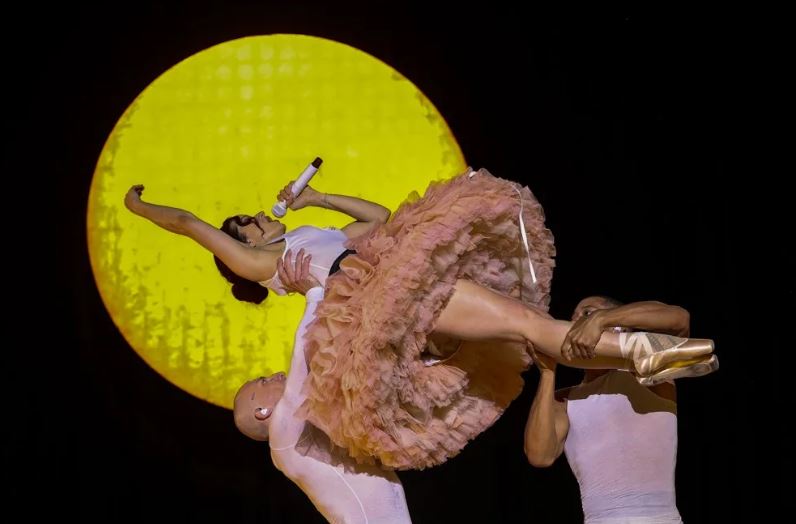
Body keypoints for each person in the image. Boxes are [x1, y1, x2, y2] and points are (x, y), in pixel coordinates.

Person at [125, 167, 715, 469]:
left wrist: (318, 199)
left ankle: (676, 357)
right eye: (246, 222)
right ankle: (677, 357)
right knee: (542, 332)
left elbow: (380, 217)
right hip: (385, 305)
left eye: (253, 217)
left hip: (395, 299)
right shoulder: (259, 263)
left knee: (541, 333)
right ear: (241, 245)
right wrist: (140, 206)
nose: (257, 217)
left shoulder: (310, 233)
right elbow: (189, 225)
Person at [234, 250, 412, 523]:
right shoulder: (283, 438)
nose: (276, 375)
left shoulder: (305, 435)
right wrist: (313, 293)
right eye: (264, 381)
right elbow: (302, 357)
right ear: (262, 411)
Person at [523, 296, 719, 524]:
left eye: (586, 313)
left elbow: (679, 319)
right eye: (573, 317)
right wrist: (548, 373)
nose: (574, 322)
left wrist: (601, 319)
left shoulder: (648, 369)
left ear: (622, 327)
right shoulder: (565, 399)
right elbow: (540, 456)